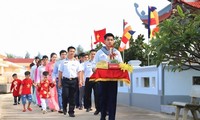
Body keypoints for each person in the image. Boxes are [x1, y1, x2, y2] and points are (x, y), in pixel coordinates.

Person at [93, 33, 123, 120]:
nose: (110, 41)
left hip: (113, 79)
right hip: (103, 79)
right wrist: (94, 69)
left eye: (111, 40)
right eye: (108, 40)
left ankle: (112, 117)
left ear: (113, 41)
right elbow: (94, 64)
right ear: (104, 41)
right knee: (103, 98)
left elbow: (120, 63)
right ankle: (103, 116)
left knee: (112, 99)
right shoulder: (99, 52)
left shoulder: (116, 52)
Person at [58, 46, 83, 117]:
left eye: (73, 51)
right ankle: (64, 107)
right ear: (68, 52)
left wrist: (80, 81)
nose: (72, 53)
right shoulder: (63, 62)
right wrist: (59, 81)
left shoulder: (77, 62)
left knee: (73, 97)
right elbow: (60, 72)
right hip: (65, 80)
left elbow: (79, 72)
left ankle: (71, 111)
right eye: (70, 51)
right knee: (65, 95)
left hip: (74, 80)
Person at [84, 49, 100, 115]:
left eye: (94, 54)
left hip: (96, 79)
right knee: (88, 94)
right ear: (90, 55)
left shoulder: (99, 63)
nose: (93, 55)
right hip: (88, 79)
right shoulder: (86, 63)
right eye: (92, 54)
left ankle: (98, 108)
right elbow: (83, 72)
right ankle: (88, 107)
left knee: (97, 94)